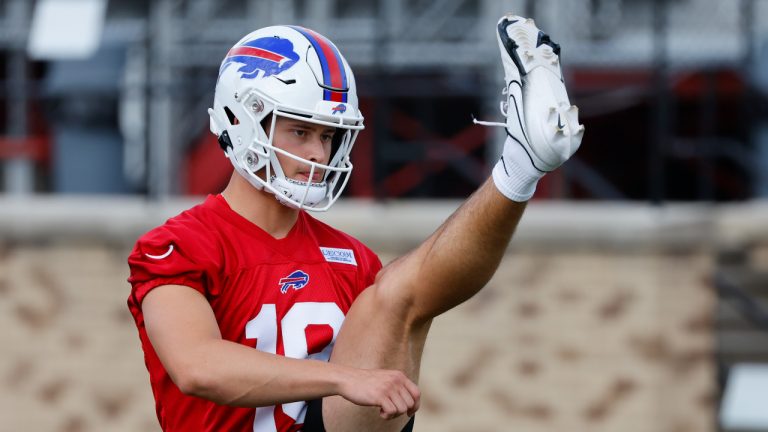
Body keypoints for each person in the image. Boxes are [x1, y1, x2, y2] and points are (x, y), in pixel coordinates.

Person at [127, 14, 583, 432]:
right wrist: (344, 380)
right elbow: (197, 367)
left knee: (400, 294)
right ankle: (519, 168)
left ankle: (520, 168)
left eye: (328, 136)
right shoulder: (177, 244)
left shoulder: (351, 259)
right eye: (300, 131)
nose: (318, 154)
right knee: (396, 293)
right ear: (239, 118)